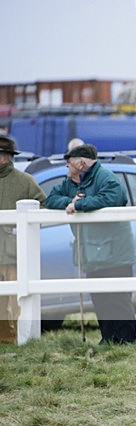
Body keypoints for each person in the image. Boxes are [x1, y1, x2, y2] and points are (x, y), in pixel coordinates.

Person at [44, 144, 136, 344]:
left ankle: (127, 339)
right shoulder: (71, 182)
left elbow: (116, 198)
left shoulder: (107, 178)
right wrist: (71, 202)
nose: (67, 168)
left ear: (81, 163)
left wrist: (79, 205)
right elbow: (51, 199)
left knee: (118, 298)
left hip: (115, 251)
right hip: (91, 251)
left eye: (69, 164)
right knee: (100, 297)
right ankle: (108, 337)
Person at [0, 135, 46, 344]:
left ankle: (20, 337)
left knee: (17, 298)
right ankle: (4, 336)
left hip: (14, 251)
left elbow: (42, 208)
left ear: (5, 158)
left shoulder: (25, 181)